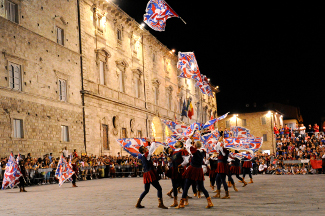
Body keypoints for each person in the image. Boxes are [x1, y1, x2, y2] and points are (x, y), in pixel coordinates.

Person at [176, 137, 213, 209]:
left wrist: (190, 139)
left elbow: (187, 145)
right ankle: (209, 202)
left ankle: (181, 203)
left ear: (195, 145)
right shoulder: (203, 152)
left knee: (186, 186)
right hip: (199, 170)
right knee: (202, 187)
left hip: (192, 169)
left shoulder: (194, 151)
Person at [135, 138, 168, 209]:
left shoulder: (144, 156)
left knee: (146, 190)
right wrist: (153, 141)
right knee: (159, 188)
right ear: (143, 150)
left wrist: (148, 142)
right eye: (145, 148)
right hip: (150, 173)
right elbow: (151, 149)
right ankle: (160, 203)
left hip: (146, 173)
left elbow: (149, 148)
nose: (146, 148)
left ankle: (138, 203)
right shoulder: (147, 155)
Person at [165, 141, 189, 207]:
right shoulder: (172, 152)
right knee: (174, 186)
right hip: (173, 170)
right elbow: (171, 161)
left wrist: (181, 165)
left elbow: (186, 160)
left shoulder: (182, 151)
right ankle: (175, 202)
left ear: (180, 145)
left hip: (180, 170)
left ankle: (185, 200)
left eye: (178, 142)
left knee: (183, 185)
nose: (176, 143)